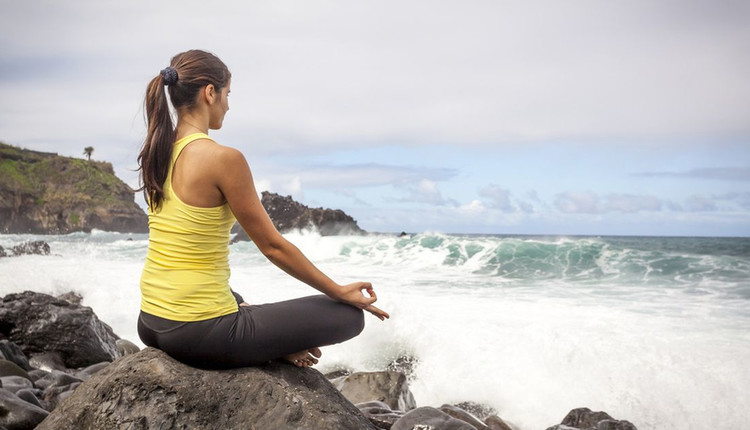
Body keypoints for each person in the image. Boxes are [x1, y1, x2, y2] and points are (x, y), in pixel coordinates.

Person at [136, 49, 389, 369]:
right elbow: (273, 247)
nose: (228, 104)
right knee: (349, 316)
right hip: (197, 333)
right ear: (210, 93)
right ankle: (261, 343)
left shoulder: (156, 152)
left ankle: (261, 340)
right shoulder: (223, 159)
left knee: (234, 295)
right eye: (228, 94)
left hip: (151, 320)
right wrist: (339, 291)